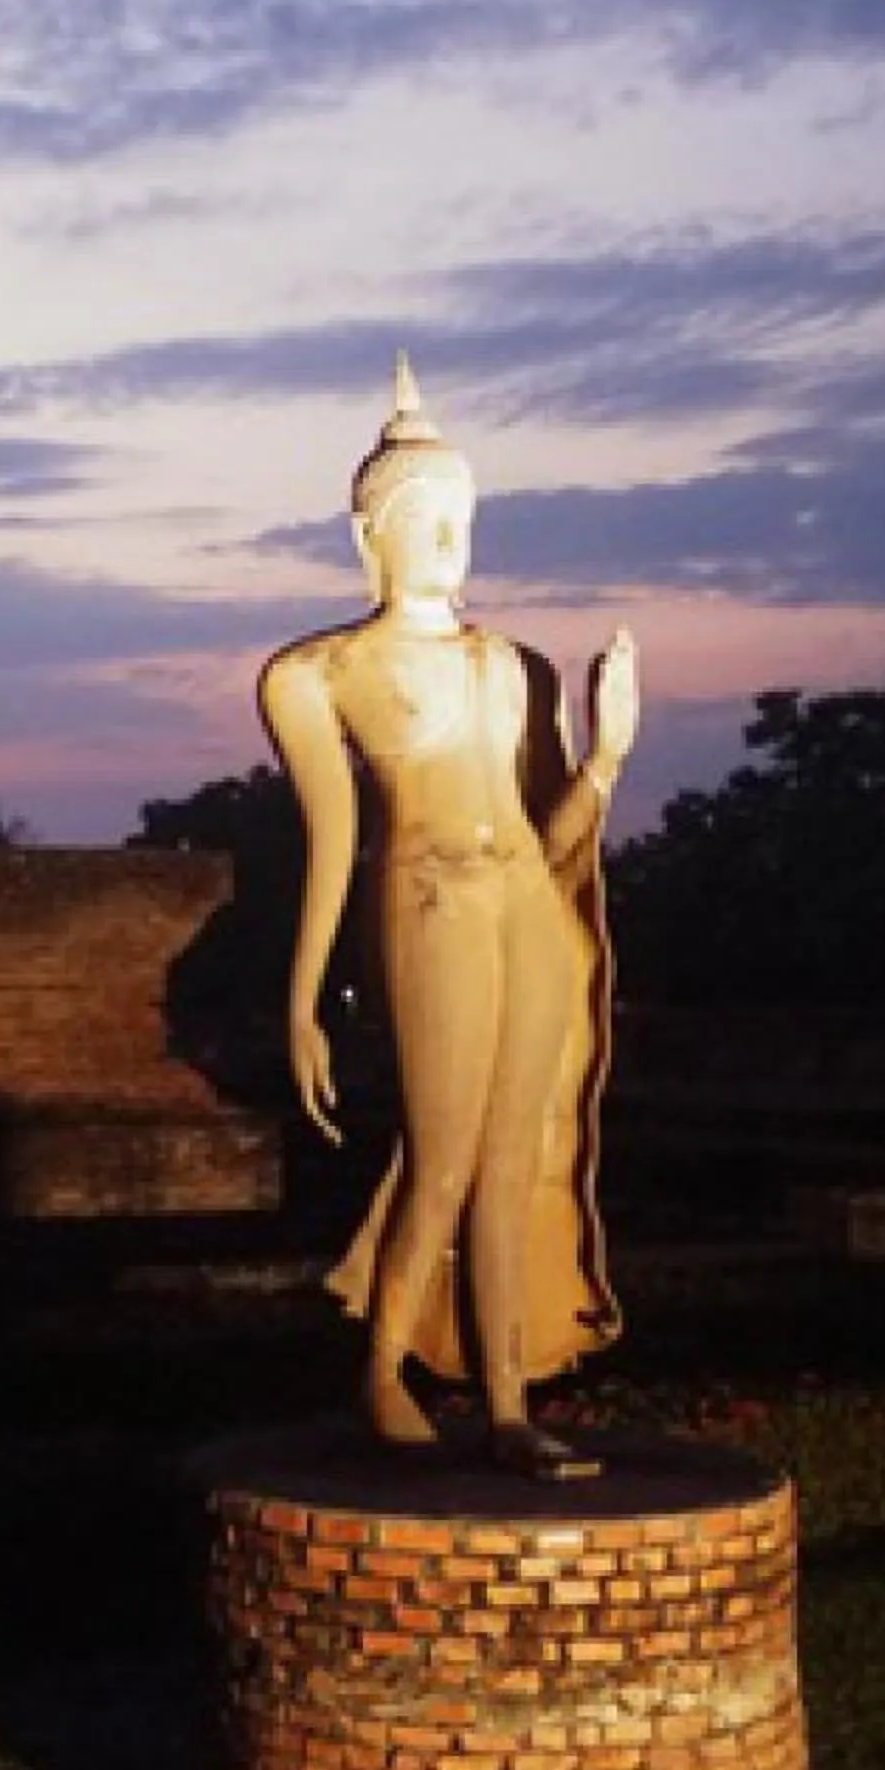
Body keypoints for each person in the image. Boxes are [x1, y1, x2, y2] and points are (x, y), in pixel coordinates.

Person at [258, 357, 637, 1479]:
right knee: (439, 1157)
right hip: (424, 902)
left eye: (459, 516)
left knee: (514, 1162)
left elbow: (556, 844)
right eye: (420, 517)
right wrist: (299, 1004)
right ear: (366, 533)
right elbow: (330, 843)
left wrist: (608, 754)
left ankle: (506, 1406)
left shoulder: (510, 667)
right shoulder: (316, 672)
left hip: (524, 906)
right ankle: (381, 1371)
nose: (444, 539)